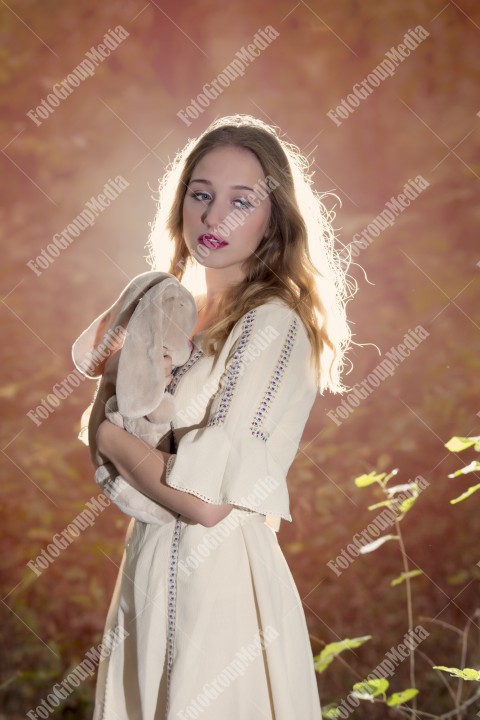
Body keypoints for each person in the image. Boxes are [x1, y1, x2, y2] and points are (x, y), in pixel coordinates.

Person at [91, 114, 351, 719]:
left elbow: (206, 504)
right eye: (202, 194)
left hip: (220, 588)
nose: (213, 218)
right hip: (151, 568)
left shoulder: (274, 323)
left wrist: (107, 431)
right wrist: (109, 401)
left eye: (242, 201)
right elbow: (115, 465)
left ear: (273, 220)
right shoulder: (175, 314)